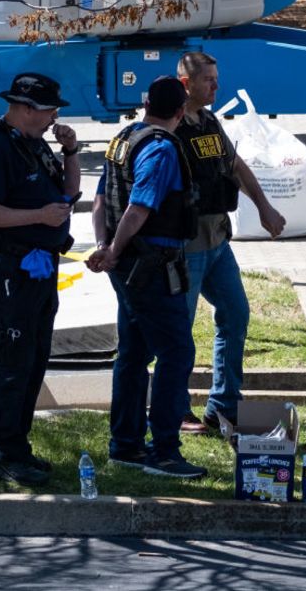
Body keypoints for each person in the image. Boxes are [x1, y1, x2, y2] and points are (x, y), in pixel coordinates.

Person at [87, 76, 207, 478]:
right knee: (176, 353)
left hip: (126, 266)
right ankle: (165, 452)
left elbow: (101, 198)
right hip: (150, 266)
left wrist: (104, 245)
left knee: (134, 353)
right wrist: (114, 250)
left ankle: (125, 444)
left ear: (145, 105)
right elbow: (138, 209)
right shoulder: (160, 149)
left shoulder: (123, 139)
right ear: (180, 111)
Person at [0, 73, 80, 487]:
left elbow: (67, 193)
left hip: (41, 265)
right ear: (25, 108)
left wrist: (70, 151)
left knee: (34, 359)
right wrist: (38, 217)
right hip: (11, 267)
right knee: (11, 360)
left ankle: (18, 444)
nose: (54, 117)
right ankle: (3, 450)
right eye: (50, 109)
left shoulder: (37, 144)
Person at [174, 52, 286, 432]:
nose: (216, 87)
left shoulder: (208, 121)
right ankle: (175, 409)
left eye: (216, 79)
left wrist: (265, 207)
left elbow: (235, 166)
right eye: (209, 80)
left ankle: (223, 404)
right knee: (179, 332)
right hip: (185, 246)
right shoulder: (170, 126)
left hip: (218, 241)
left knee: (235, 315)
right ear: (187, 84)